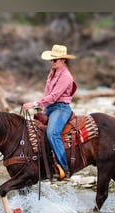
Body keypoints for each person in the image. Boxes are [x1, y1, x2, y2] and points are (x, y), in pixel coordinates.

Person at [23, 44, 77, 181]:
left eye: (55, 60)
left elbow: (54, 96)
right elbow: (48, 93)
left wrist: (34, 104)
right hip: (50, 108)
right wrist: (42, 109)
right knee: (32, 130)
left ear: (63, 60)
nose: (52, 62)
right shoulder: (52, 73)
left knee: (53, 133)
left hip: (61, 108)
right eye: (51, 60)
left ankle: (65, 168)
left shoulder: (66, 76)